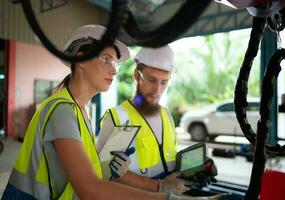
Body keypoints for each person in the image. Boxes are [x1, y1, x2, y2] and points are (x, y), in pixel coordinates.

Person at [1, 24, 174, 200]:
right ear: (81, 59)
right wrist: (166, 198)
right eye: (107, 60)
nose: (114, 70)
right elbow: (90, 190)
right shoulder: (62, 111)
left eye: (115, 64)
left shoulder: (81, 112)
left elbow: (84, 174)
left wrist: (109, 169)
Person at [96, 45, 190, 194]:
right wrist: (159, 186)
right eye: (151, 80)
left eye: (164, 82)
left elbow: (169, 158)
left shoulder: (166, 115)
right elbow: (103, 174)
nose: (157, 90)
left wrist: (197, 168)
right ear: (136, 74)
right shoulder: (120, 118)